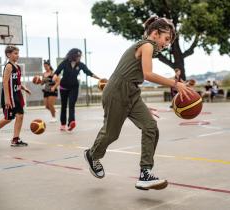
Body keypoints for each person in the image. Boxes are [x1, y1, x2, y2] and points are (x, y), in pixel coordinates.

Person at [84, 16, 193, 190]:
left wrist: (139, 104)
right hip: (116, 92)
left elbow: (135, 78)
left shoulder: (149, 47)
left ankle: (145, 174)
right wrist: (175, 83)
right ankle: (92, 154)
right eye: (166, 39)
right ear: (155, 34)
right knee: (111, 134)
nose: (166, 44)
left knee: (151, 127)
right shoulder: (147, 45)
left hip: (131, 93)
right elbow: (148, 74)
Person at [0, 45, 31, 146]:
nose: (17, 55)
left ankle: (15, 139)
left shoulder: (17, 67)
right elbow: (5, 82)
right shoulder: (9, 66)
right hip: (9, 96)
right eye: (15, 53)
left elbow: (17, 81)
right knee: (8, 118)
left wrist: (24, 88)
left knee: (20, 115)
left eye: (18, 53)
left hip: (16, 95)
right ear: (8, 54)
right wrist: (7, 99)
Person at [53, 48, 100, 131]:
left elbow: (88, 72)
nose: (79, 57)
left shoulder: (80, 65)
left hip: (74, 87)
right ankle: (63, 124)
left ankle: (71, 122)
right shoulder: (65, 62)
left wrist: (99, 78)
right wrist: (55, 76)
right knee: (64, 106)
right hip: (64, 87)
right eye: (78, 56)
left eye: (80, 56)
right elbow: (57, 71)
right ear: (73, 56)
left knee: (71, 105)